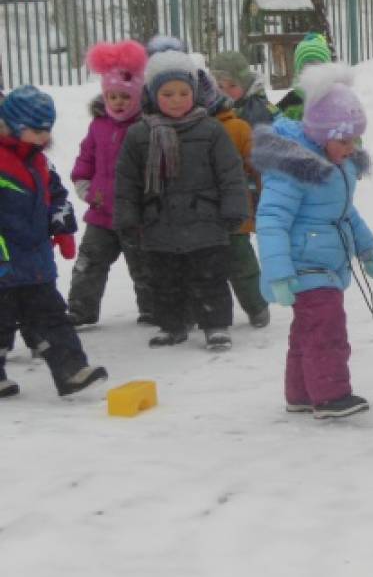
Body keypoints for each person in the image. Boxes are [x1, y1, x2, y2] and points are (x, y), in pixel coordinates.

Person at [253, 63, 373, 419]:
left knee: (306, 331)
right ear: (321, 132)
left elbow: (344, 214)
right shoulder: (294, 168)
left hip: (325, 263)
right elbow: (271, 220)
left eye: (355, 139)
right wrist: (278, 272)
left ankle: (300, 393)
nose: (351, 147)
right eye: (344, 139)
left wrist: (366, 249)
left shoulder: (338, 165)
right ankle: (329, 395)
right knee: (326, 329)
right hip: (304, 265)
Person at [114, 48, 248, 351]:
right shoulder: (139, 135)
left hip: (205, 220)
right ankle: (171, 324)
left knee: (210, 277)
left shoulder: (211, 130)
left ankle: (215, 325)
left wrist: (234, 209)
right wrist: (127, 216)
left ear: (195, 93)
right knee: (164, 279)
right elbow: (127, 181)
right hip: (159, 221)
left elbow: (230, 173)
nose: (176, 100)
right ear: (152, 95)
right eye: (168, 93)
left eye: (183, 92)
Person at [0, 86, 108, 398]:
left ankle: (71, 370)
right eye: (38, 130)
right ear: (16, 128)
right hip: (5, 262)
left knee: (51, 316)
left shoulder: (38, 162)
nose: (45, 137)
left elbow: (55, 195)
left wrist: (61, 226)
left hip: (34, 261)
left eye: (48, 129)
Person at [67, 40, 155, 327]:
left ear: (138, 97)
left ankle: (152, 308)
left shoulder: (146, 128)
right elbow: (85, 159)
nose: (118, 102)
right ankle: (81, 309)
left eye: (125, 96)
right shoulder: (98, 126)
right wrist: (85, 188)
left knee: (143, 265)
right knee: (89, 263)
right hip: (101, 212)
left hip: (136, 215)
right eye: (112, 96)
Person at [204, 80, 270, 328]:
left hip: (234, 206)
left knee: (240, 259)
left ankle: (256, 305)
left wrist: (261, 196)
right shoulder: (187, 129)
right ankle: (203, 313)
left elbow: (256, 165)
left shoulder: (237, 127)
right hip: (199, 212)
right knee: (203, 267)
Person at [210, 50, 278, 127]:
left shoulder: (256, 110)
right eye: (220, 86)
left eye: (232, 85)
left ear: (245, 84)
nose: (226, 91)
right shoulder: (222, 105)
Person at [276, 33, 332, 121]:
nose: (312, 71)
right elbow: (274, 117)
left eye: (317, 65)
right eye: (306, 66)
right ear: (298, 70)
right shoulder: (293, 99)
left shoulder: (335, 98)